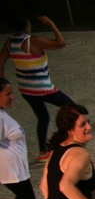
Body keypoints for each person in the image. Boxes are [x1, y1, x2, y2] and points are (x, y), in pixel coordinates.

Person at [0, 13, 74, 163]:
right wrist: (51, 22)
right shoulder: (33, 41)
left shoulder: (9, 43)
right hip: (43, 88)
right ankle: (64, 140)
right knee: (73, 109)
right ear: (27, 24)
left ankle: (43, 152)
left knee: (43, 117)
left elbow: (0, 63)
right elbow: (61, 43)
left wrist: (1, 83)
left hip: (26, 90)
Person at [0, 78, 51, 199]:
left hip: (13, 170)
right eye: (8, 94)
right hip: (11, 170)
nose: (12, 97)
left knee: (21, 197)